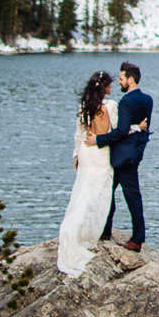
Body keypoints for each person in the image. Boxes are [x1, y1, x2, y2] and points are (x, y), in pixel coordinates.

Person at [57, 70, 118, 278]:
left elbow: (79, 133)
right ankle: (91, 233)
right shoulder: (111, 105)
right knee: (99, 192)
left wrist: (76, 155)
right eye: (110, 84)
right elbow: (116, 131)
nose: (112, 87)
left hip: (85, 150)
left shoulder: (84, 107)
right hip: (101, 151)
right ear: (104, 87)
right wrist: (138, 127)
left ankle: (75, 229)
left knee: (83, 191)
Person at [86, 60, 153, 252]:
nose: (119, 82)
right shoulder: (148, 99)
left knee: (130, 196)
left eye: (122, 78)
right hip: (135, 152)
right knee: (109, 191)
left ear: (130, 80)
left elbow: (120, 131)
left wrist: (98, 140)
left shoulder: (126, 102)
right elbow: (142, 129)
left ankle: (137, 239)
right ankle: (106, 230)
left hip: (122, 156)